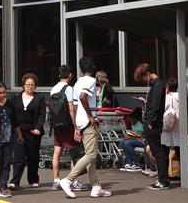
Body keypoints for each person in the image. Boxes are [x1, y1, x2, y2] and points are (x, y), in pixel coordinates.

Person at [60, 57, 112, 198]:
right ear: (93, 67)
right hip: (88, 123)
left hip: (81, 123)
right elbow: (83, 96)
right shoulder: (90, 81)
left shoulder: (78, 82)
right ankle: (68, 179)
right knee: (91, 155)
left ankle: (96, 187)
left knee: (90, 156)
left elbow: (76, 104)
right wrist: (91, 116)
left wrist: (76, 126)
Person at [134, 62, 170, 190]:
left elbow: (155, 105)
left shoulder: (157, 85)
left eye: (143, 78)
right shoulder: (158, 84)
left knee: (157, 152)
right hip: (154, 122)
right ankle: (162, 179)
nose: (144, 81)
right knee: (157, 151)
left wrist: (149, 121)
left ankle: (163, 180)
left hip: (153, 124)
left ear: (147, 74)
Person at [50, 64, 86, 192]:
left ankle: (56, 180)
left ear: (59, 75)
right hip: (67, 125)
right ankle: (73, 181)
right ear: (70, 75)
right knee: (74, 153)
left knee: (57, 152)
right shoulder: (69, 88)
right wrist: (75, 126)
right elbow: (71, 108)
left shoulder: (53, 88)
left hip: (56, 125)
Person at [8, 73, 46, 190]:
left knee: (33, 157)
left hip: (33, 132)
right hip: (19, 131)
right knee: (18, 157)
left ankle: (33, 179)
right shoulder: (15, 98)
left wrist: (38, 128)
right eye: (28, 84)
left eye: (32, 85)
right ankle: (15, 182)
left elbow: (42, 115)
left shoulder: (39, 98)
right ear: (23, 85)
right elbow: (11, 113)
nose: (30, 87)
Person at [119, 108, 156, 173]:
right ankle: (129, 162)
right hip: (135, 139)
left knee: (127, 143)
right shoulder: (133, 123)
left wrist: (136, 135)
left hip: (142, 140)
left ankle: (136, 163)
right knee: (123, 142)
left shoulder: (143, 124)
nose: (132, 121)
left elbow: (144, 135)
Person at [161, 77, 180, 178]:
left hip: (167, 129)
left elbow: (160, 109)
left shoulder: (166, 97)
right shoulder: (181, 96)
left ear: (167, 86)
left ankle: (164, 176)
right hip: (179, 128)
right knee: (181, 151)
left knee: (164, 152)